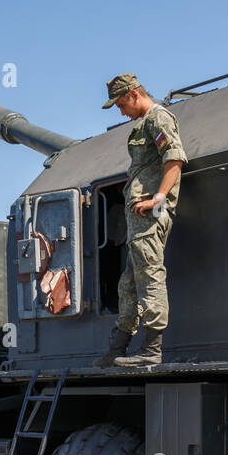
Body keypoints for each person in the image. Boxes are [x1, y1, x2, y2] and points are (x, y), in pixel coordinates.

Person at [97, 72, 188, 367]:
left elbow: (174, 159)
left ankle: (152, 348)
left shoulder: (158, 119)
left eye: (121, 104)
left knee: (149, 277)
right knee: (129, 284)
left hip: (150, 216)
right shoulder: (142, 125)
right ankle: (118, 347)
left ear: (134, 94)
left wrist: (159, 198)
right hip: (138, 219)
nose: (121, 112)